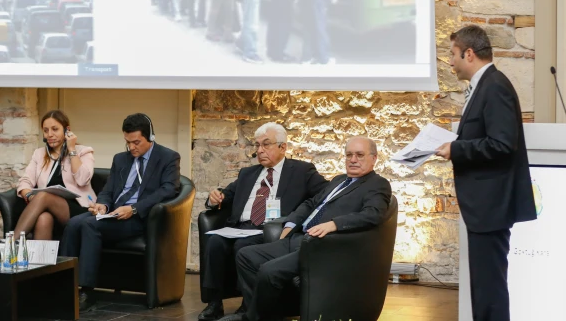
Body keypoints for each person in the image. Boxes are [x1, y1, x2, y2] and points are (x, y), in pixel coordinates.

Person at [222, 137, 391, 321]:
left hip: (322, 247)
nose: (352, 159)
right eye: (349, 155)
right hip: (298, 238)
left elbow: (374, 214)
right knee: (245, 256)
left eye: (359, 155)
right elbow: (311, 203)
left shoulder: (377, 184)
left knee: (269, 271)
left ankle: (252, 317)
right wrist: (290, 224)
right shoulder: (339, 180)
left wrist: (334, 224)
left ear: (374, 158)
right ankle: (267, 314)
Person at [435, 25, 536, 321]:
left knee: (489, 289)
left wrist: (457, 150)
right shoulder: (485, 84)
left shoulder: (495, 86)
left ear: (469, 53)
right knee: (483, 288)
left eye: (453, 54)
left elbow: (502, 143)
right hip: (484, 206)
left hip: (491, 205)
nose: (450, 62)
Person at [198, 123, 327, 321]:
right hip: (241, 227)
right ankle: (214, 303)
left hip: (270, 231)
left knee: (243, 247)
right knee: (215, 241)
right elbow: (226, 195)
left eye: (266, 145)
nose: (260, 150)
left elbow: (324, 195)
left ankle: (249, 306)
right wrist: (214, 198)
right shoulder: (248, 174)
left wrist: (298, 219)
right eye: (257, 145)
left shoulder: (301, 171)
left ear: (283, 147)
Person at [59, 113, 181, 311]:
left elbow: (168, 190)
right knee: (73, 223)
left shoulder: (167, 157)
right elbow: (109, 189)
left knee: (90, 225)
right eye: (128, 142)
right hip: (114, 213)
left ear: (150, 137)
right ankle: (64, 286)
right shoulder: (121, 159)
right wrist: (103, 205)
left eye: (136, 142)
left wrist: (134, 208)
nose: (132, 147)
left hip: (138, 217)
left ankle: (87, 291)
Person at [14, 110, 96, 241]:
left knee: (44, 196)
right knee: (43, 218)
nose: (50, 135)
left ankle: (11, 244)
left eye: (55, 129)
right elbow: (25, 181)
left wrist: (72, 150)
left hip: (79, 209)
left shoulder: (84, 152)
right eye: (46, 131)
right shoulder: (39, 154)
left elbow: (82, 180)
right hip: (49, 209)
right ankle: (41, 261)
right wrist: (29, 195)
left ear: (66, 130)